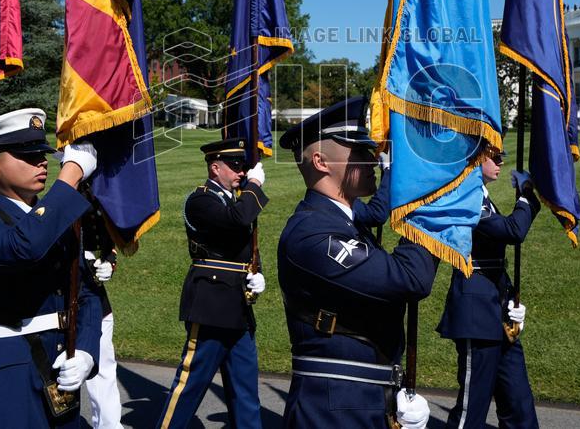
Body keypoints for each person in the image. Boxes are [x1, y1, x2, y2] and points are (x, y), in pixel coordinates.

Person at [276, 96, 435, 429]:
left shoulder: (346, 222)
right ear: (321, 162)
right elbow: (408, 278)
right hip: (334, 405)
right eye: (360, 152)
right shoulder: (312, 234)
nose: (373, 161)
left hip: (362, 396)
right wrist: (428, 209)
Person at [0, 108, 102, 428]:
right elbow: (23, 247)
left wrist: (86, 352)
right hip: (0, 374)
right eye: (26, 156)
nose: (41, 162)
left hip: (57, 371)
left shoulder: (54, 220)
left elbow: (86, 293)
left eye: (42, 154)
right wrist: (69, 175)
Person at [156, 137, 268, 429]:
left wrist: (256, 272)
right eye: (234, 166)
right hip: (212, 303)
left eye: (243, 166)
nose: (241, 172)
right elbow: (238, 219)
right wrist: (255, 186)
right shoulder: (201, 199)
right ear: (215, 167)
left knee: (245, 391)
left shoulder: (233, 198)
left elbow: (242, 243)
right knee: (190, 384)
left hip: (238, 305)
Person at [436, 150, 541, 429]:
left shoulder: (481, 195)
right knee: (473, 405)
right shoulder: (465, 195)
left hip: (497, 302)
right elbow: (512, 231)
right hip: (476, 309)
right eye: (494, 156)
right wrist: (525, 197)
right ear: (473, 159)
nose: (501, 162)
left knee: (518, 400)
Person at [81, 196, 124, 429]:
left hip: (92, 294)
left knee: (104, 366)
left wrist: (109, 261)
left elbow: (105, 240)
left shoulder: (96, 198)